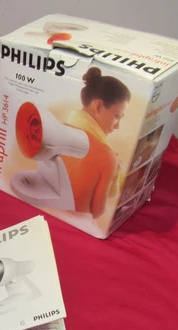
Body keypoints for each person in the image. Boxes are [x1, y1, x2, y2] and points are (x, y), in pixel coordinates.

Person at [60, 66, 131, 219]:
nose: (117, 126)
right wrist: (111, 171)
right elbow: (97, 212)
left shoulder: (58, 131)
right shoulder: (105, 156)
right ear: (98, 106)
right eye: (117, 116)